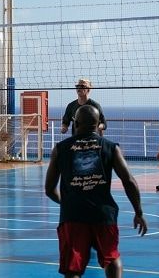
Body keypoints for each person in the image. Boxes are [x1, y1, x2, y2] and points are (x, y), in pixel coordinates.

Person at [45, 105, 147, 278]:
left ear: (75, 123)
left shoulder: (60, 149)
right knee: (112, 258)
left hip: (73, 216)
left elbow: (49, 189)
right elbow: (129, 181)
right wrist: (139, 212)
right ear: (99, 124)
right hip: (103, 214)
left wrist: (68, 202)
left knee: (72, 268)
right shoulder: (111, 147)